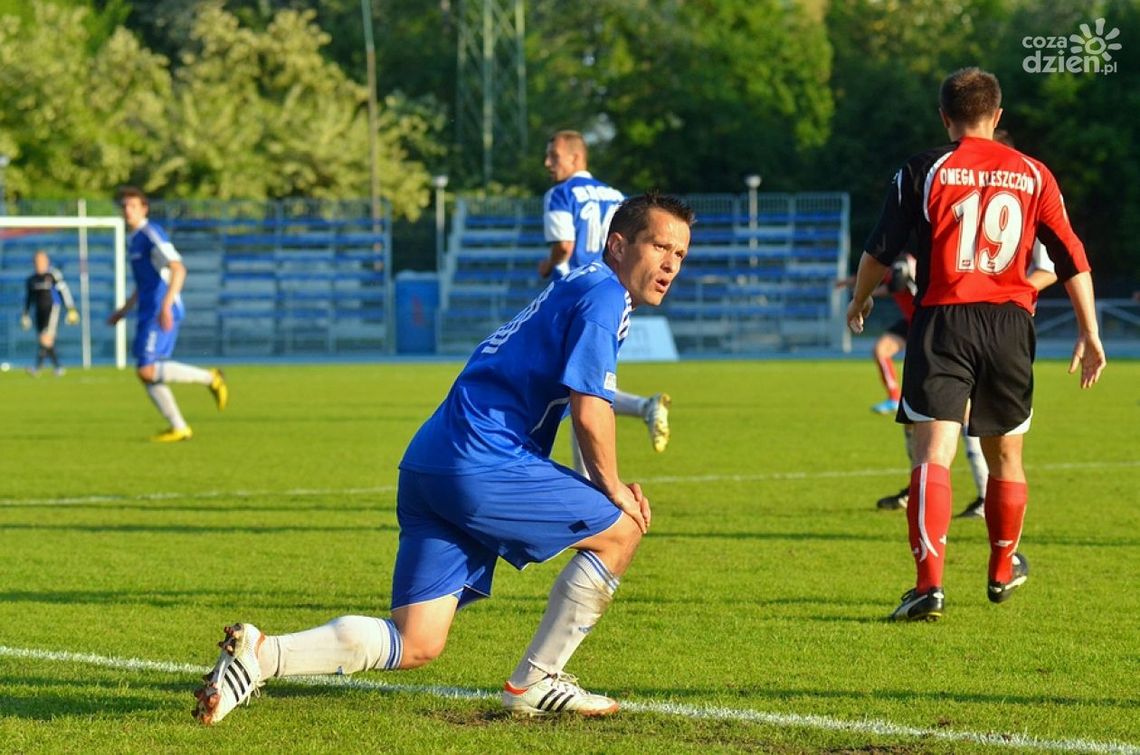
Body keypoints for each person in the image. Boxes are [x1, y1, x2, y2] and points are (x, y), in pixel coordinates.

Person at [192, 193, 695, 725]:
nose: (669, 264)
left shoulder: (579, 284)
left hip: (432, 460)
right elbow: (590, 410)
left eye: (680, 254)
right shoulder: (604, 294)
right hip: (483, 459)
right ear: (619, 244)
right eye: (659, 245)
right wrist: (614, 489)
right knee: (622, 529)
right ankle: (537, 680)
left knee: (417, 640)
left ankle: (261, 655)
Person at [847, 67, 1105, 622]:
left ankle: (927, 586)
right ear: (999, 115)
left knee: (933, 450)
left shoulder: (924, 167)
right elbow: (1071, 255)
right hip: (1011, 323)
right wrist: (1090, 330)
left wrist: (860, 299)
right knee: (1006, 453)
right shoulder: (1035, 172)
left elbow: (881, 247)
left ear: (945, 117)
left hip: (945, 320)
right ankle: (1002, 566)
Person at [541, 130, 672, 460]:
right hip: (613, 294)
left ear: (575, 158)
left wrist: (546, 265)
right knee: (586, 382)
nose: (547, 164)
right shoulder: (616, 196)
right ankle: (644, 407)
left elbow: (564, 246)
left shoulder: (561, 193)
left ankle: (588, 490)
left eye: (553, 157)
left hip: (575, 293)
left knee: (577, 386)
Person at [107, 187, 228, 442]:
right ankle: (179, 427)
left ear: (144, 209)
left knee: (147, 369)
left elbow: (178, 269)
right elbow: (143, 283)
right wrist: (123, 311)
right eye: (124, 206)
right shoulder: (134, 240)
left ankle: (211, 378)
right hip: (147, 310)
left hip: (161, 310)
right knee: (147, 372)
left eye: (132, 206)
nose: (127, 211)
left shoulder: (152, 235)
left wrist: (166, 305)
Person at [22, 250, 79, 376]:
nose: (39, 264)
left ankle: (38, 367)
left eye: (42, 261)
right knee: (44, 340)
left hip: (53, 309)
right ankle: (57, 367)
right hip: (38, 312)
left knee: (46, 338)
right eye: (37, 261)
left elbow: (64, 291)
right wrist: (25, 313)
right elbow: (29, 298)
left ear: (47, 261)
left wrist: (71, 309)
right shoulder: (31, 279)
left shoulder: (53, 275)